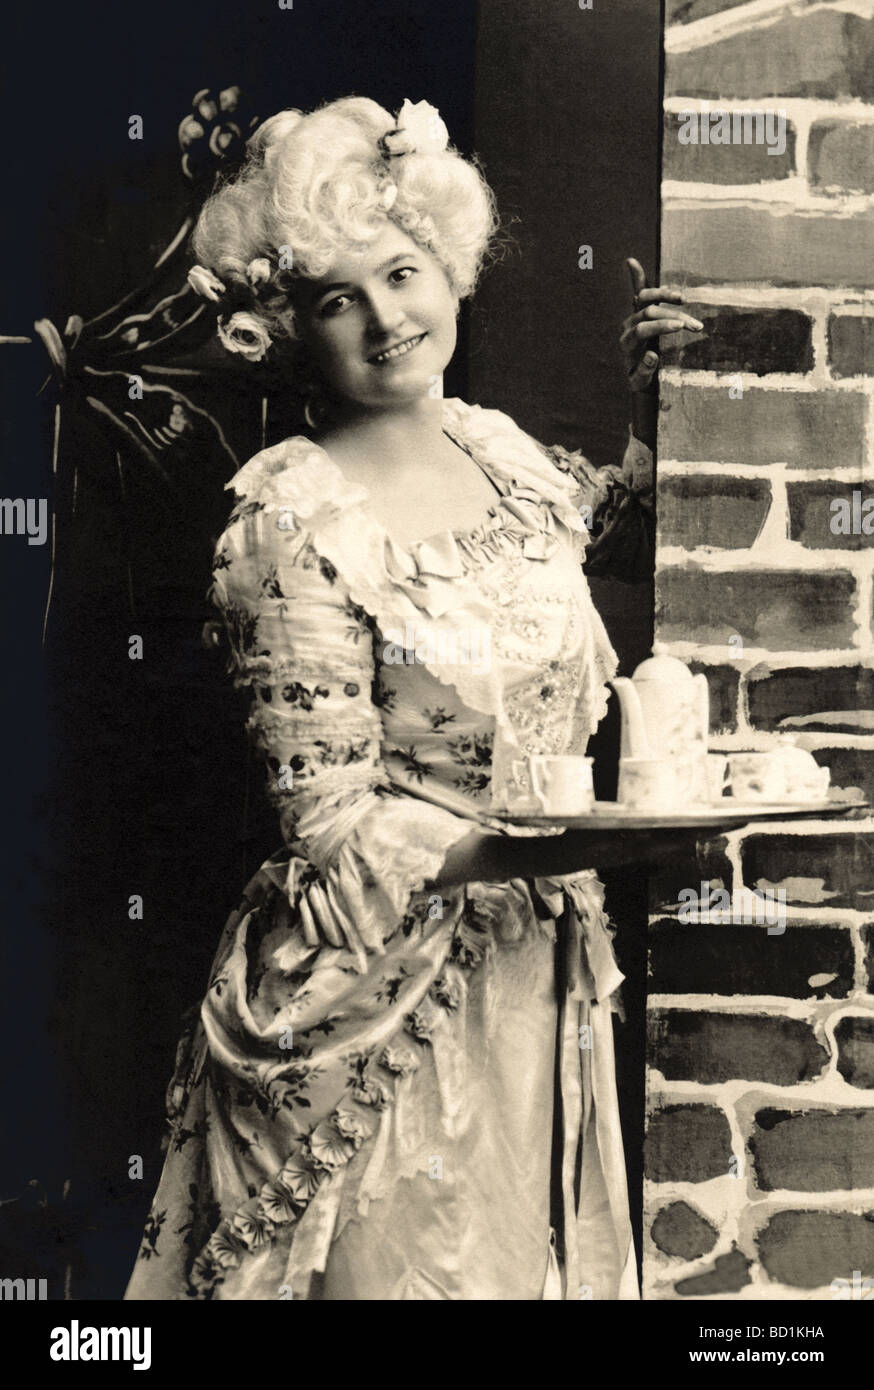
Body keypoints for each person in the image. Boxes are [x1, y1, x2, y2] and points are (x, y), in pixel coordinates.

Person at [124, 96, 704, 1301]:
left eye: (402, 271)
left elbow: (603, 540)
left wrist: (658, 415)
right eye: (338, 297)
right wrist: (562, 840)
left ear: (447, 264)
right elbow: (331, 830)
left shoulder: (505, 454)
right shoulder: (289, 517)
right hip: (373, 1011)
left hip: (535, 982)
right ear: (290, 326)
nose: (387, 317)